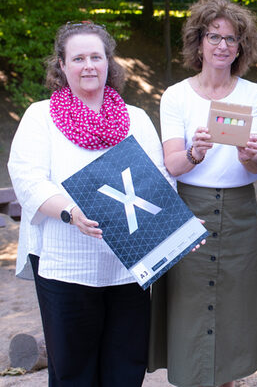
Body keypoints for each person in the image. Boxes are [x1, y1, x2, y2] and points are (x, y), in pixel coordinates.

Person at [8, 21, 167, 386]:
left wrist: (180, 230)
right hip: (66, 265)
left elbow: (158, 181)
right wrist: (71, 211)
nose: (89, 65)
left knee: (125, 367)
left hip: (128, 266)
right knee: (72, 372)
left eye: (96, 56)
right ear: (61, 66)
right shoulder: (40, 117)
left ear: (109, 62)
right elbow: (28, 178)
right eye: (78, 58)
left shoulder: (137, 120)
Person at [148, 0, 257, 387]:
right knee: (189, 314)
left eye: (232, 39)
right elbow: (172, 165)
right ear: (198, 41)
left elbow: (255, 168)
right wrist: (194, 153)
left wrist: (252, 155)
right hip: (188, 210)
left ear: (242, 46)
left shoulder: (253, 94)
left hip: (240, 213)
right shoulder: (175, 95)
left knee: (234, 316)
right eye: (214, 36)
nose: (223, 45)